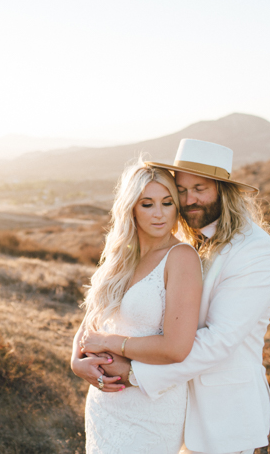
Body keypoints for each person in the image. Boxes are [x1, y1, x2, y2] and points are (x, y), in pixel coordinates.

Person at [81, 138, 270, 454]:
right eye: (183, 190)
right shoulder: (190, 238)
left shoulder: (254, 251)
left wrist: (133, 373)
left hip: (221, 416)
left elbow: (218, 340)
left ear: (223, 189)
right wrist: (81, 359)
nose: (189, 200)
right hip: (169, 406)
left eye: (200, 188)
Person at [70, 160, 204, 453]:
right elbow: (92, 319)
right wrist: (76, 361)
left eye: (167, 203)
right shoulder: (121, 256)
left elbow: (176, 347)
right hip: (105, 407)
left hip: (150, 411)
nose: (159, 214)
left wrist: (109, 343)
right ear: (131, 207)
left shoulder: (181, 258)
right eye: (147, 204)